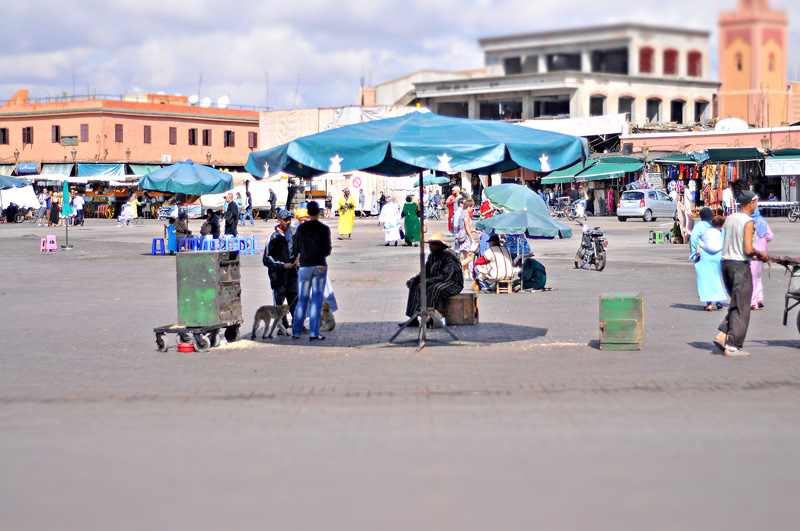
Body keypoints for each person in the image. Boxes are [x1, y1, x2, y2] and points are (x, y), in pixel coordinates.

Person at [713, 191, 768, 357]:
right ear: (750, 203)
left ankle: (722, 335)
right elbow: (748, 249)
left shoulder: (729, 219)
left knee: (736, 303)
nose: (756, 206)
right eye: (756, 203)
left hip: (726, 265)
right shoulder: (748, 221)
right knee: (742, 307)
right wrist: (760, 254)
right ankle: (733, 346)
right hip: (739, 266)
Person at [291, 201, 331, 341]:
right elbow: (327, 250)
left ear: (307, 212)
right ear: (319, 212)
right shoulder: (324, 229)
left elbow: (296, 248)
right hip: (319, 265)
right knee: (316, 300)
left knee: (302, 299)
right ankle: (314, 333)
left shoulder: (301, 229)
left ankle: (296, 331)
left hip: (304, 266)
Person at [404, 231, 464, 322]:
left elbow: (446, 276)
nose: (430, 246)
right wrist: (415, 279)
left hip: (452, 283)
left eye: (432, 244)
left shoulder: (448, 257)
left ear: (440, 245)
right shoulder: (432, 256)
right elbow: (425, 272)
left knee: (434, 288)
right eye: (430, 244)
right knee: (414, 285)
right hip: (437, 280)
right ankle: (413, 317)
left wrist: (427, 281)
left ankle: (430, 318)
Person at [263, 209, 299, 332]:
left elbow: (299, 248)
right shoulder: (273, 237)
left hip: (293, 273)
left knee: (294, 299)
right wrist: (282, 265)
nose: (288, 222)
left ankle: (297, 323)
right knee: (279, 302)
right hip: (278, 275)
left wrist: (297, 258)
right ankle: (282, 326)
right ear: (279, 221)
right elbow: (267, 259)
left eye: (289, 219)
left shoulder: (294, 232)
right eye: (285, 220)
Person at [689, 208, 726, 311]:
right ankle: (718, 301)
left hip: (704, 256)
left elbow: (693, 239)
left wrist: (694, 253)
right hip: (717, 255)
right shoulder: (717, 226)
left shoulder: (700, 225)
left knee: (705, 279)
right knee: (716, 278)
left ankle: (709, 304)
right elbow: (722, 240)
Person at [750, 207, 773, 310]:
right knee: (758, 276)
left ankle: (753, 302)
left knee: (752, 278)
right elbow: (770, 236)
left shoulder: (749, 222)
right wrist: (763, 240)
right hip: (763, 252)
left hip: (754, 252)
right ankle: (759, 298)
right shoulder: (763, 221)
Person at [453, 199, 477, 279]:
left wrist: (475, 230)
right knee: (470, 257)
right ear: (469, 206)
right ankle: (455, 268)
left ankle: (466, 276)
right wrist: (472, 238)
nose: (472, 209)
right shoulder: (466, 215)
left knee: (466, 257)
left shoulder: (461, 214)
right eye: (472, 207)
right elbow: (467, 228)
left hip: (461, 236)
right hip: (465, 238)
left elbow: (463, 227)